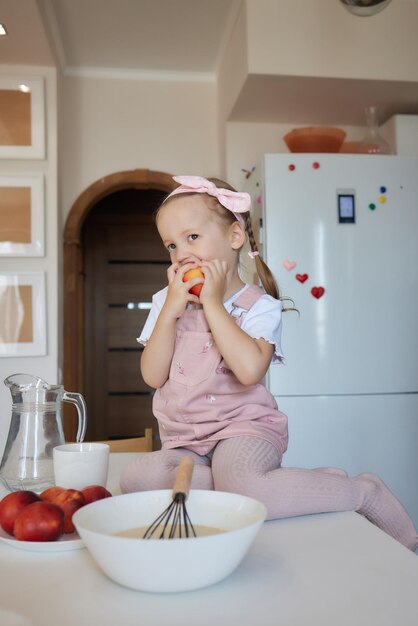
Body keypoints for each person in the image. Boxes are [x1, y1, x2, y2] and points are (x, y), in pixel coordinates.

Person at [120, 175, 418, 551]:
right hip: (185, 440)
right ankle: (286, 485)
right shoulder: (167, 300)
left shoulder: (258, 305)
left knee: (244, 487)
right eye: (171, 245)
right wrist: (169, 315)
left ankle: (360, 491)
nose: (182, 254)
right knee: (138, 480)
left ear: (234, 237)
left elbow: (248, 371)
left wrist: (212, 304)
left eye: (192, 237)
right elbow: (152, 375)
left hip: (243, 428)